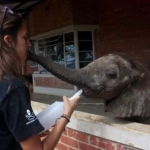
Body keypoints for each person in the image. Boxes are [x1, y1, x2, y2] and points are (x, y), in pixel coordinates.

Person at [0, 6, 80, 150]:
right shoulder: (13, 89)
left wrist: (28, 132)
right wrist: (66, 115)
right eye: (24, 38)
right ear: (8, 41)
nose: (29, 44)